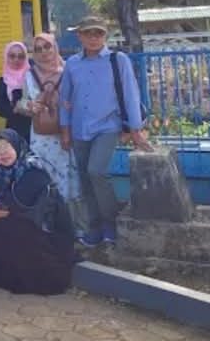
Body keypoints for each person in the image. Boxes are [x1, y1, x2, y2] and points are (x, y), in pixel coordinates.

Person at [60, 16, 152, 247]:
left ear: (105, 36)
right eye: (88, 33)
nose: (93, 38)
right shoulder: (72, 63)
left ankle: (110, 221)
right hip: (80, 128)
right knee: (85, 178)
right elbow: (65, 98)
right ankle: (94, 225)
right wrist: (65, 129)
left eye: (98, 33)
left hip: (107, 127)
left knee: (96, 172)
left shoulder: (117, 60)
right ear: (79, 35)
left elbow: (131, 94)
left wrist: (135, 128)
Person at [0, 129, 76, 295]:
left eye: (7, 146)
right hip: (20, 215)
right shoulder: (4, 170)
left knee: (9, 229)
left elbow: (17, 202)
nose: (3, 153)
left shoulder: (33, 169)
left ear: (17, 146)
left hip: (45, 227)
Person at [24, 33, 87, 237]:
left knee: (71, 178)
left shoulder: (69, 70)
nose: (43, 52)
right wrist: (29, 106)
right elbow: (23, 102)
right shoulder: (29, 75)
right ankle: (50, 225)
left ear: (55, 47)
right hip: (41, 137)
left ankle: (76, 227)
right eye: (38, 49)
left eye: (47, 47)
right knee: (47, 178)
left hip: (65, 134)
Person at [0, 41, 32, 144]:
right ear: (6, 57)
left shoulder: (33, 77)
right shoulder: (2, 82)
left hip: (35, 128)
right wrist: (14, 109)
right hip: (14, 129)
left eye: (21, 56)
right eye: (12, 56)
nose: (16, 60)